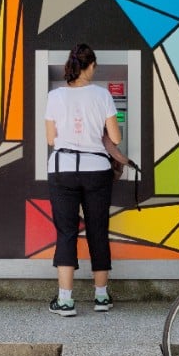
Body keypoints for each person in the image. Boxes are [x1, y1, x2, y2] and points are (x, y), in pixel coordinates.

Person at [45, 43, 123, 317]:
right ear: (90, 66)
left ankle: (65, 301)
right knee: (97, 230)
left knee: (66, 232)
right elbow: (116, 138)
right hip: (96, 170)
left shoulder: (55, 96)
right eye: (94, 65)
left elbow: (50, 139)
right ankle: (101, 297)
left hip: (62, 168)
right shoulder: (103, 96)